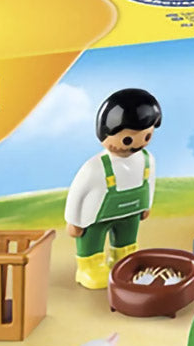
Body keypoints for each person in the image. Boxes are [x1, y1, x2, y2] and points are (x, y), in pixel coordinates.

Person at [64, 89, 162, 289]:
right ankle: (89, 268)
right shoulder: (95, 167)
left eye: (146, 136)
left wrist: (147, 205)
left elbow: (149, 183)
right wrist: (73, 221)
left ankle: (123, 262)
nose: (135, 145)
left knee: (127, 242)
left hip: (131, 212)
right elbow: (77, 194)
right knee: (91, 243)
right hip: (95, 218)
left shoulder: (147, 160)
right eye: (127, 140)